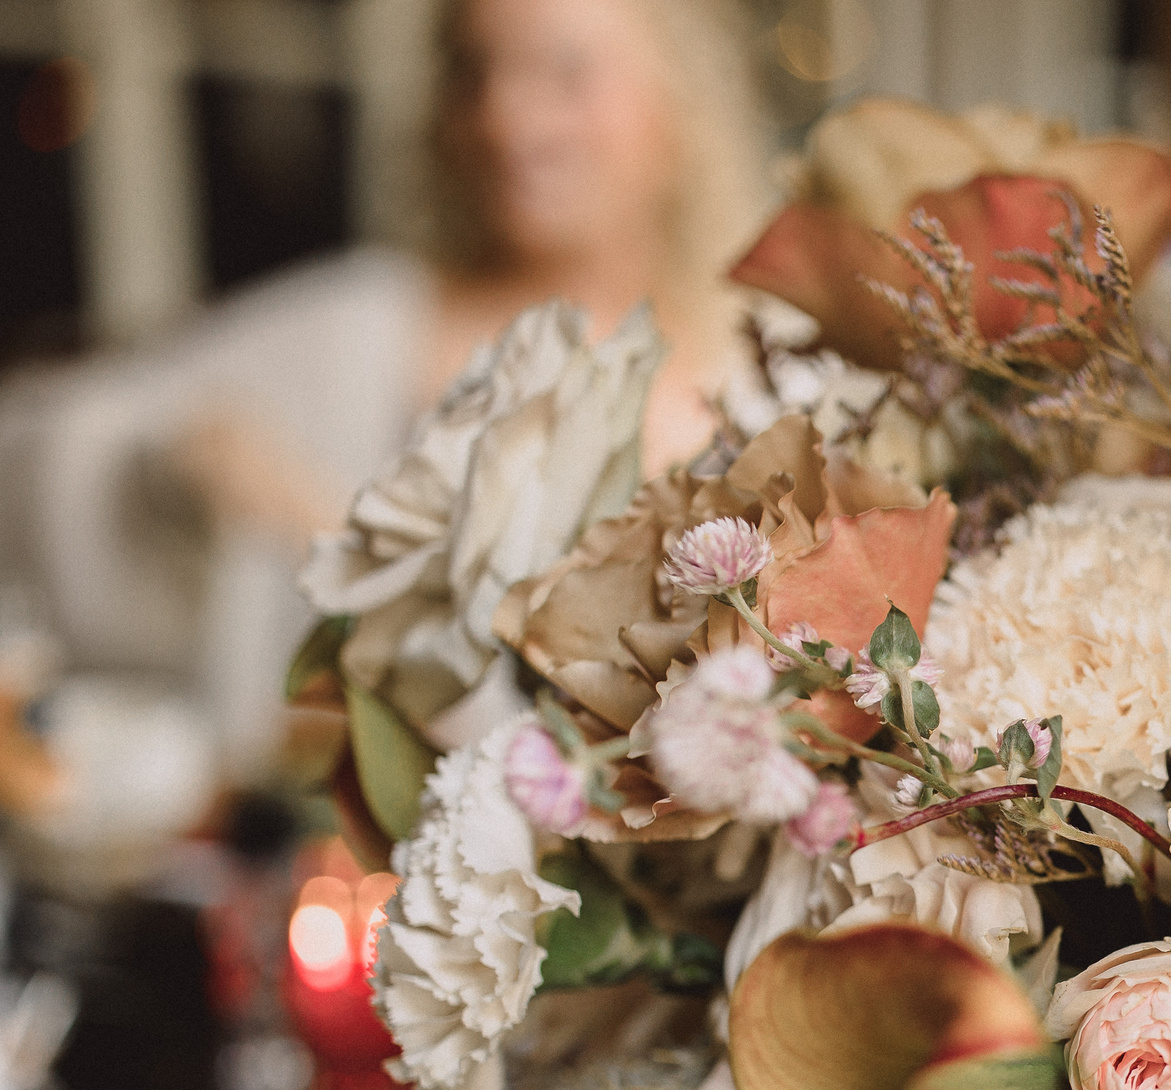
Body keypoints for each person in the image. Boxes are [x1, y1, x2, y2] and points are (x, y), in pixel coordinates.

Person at [0, 0, 769, 802]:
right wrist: (173, 491)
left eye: (563, 72)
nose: (504, 116)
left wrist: (344, 549)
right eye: (475, 74)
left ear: (679, 101)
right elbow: (44, 451)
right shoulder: (367, 330)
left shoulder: (773, 383)